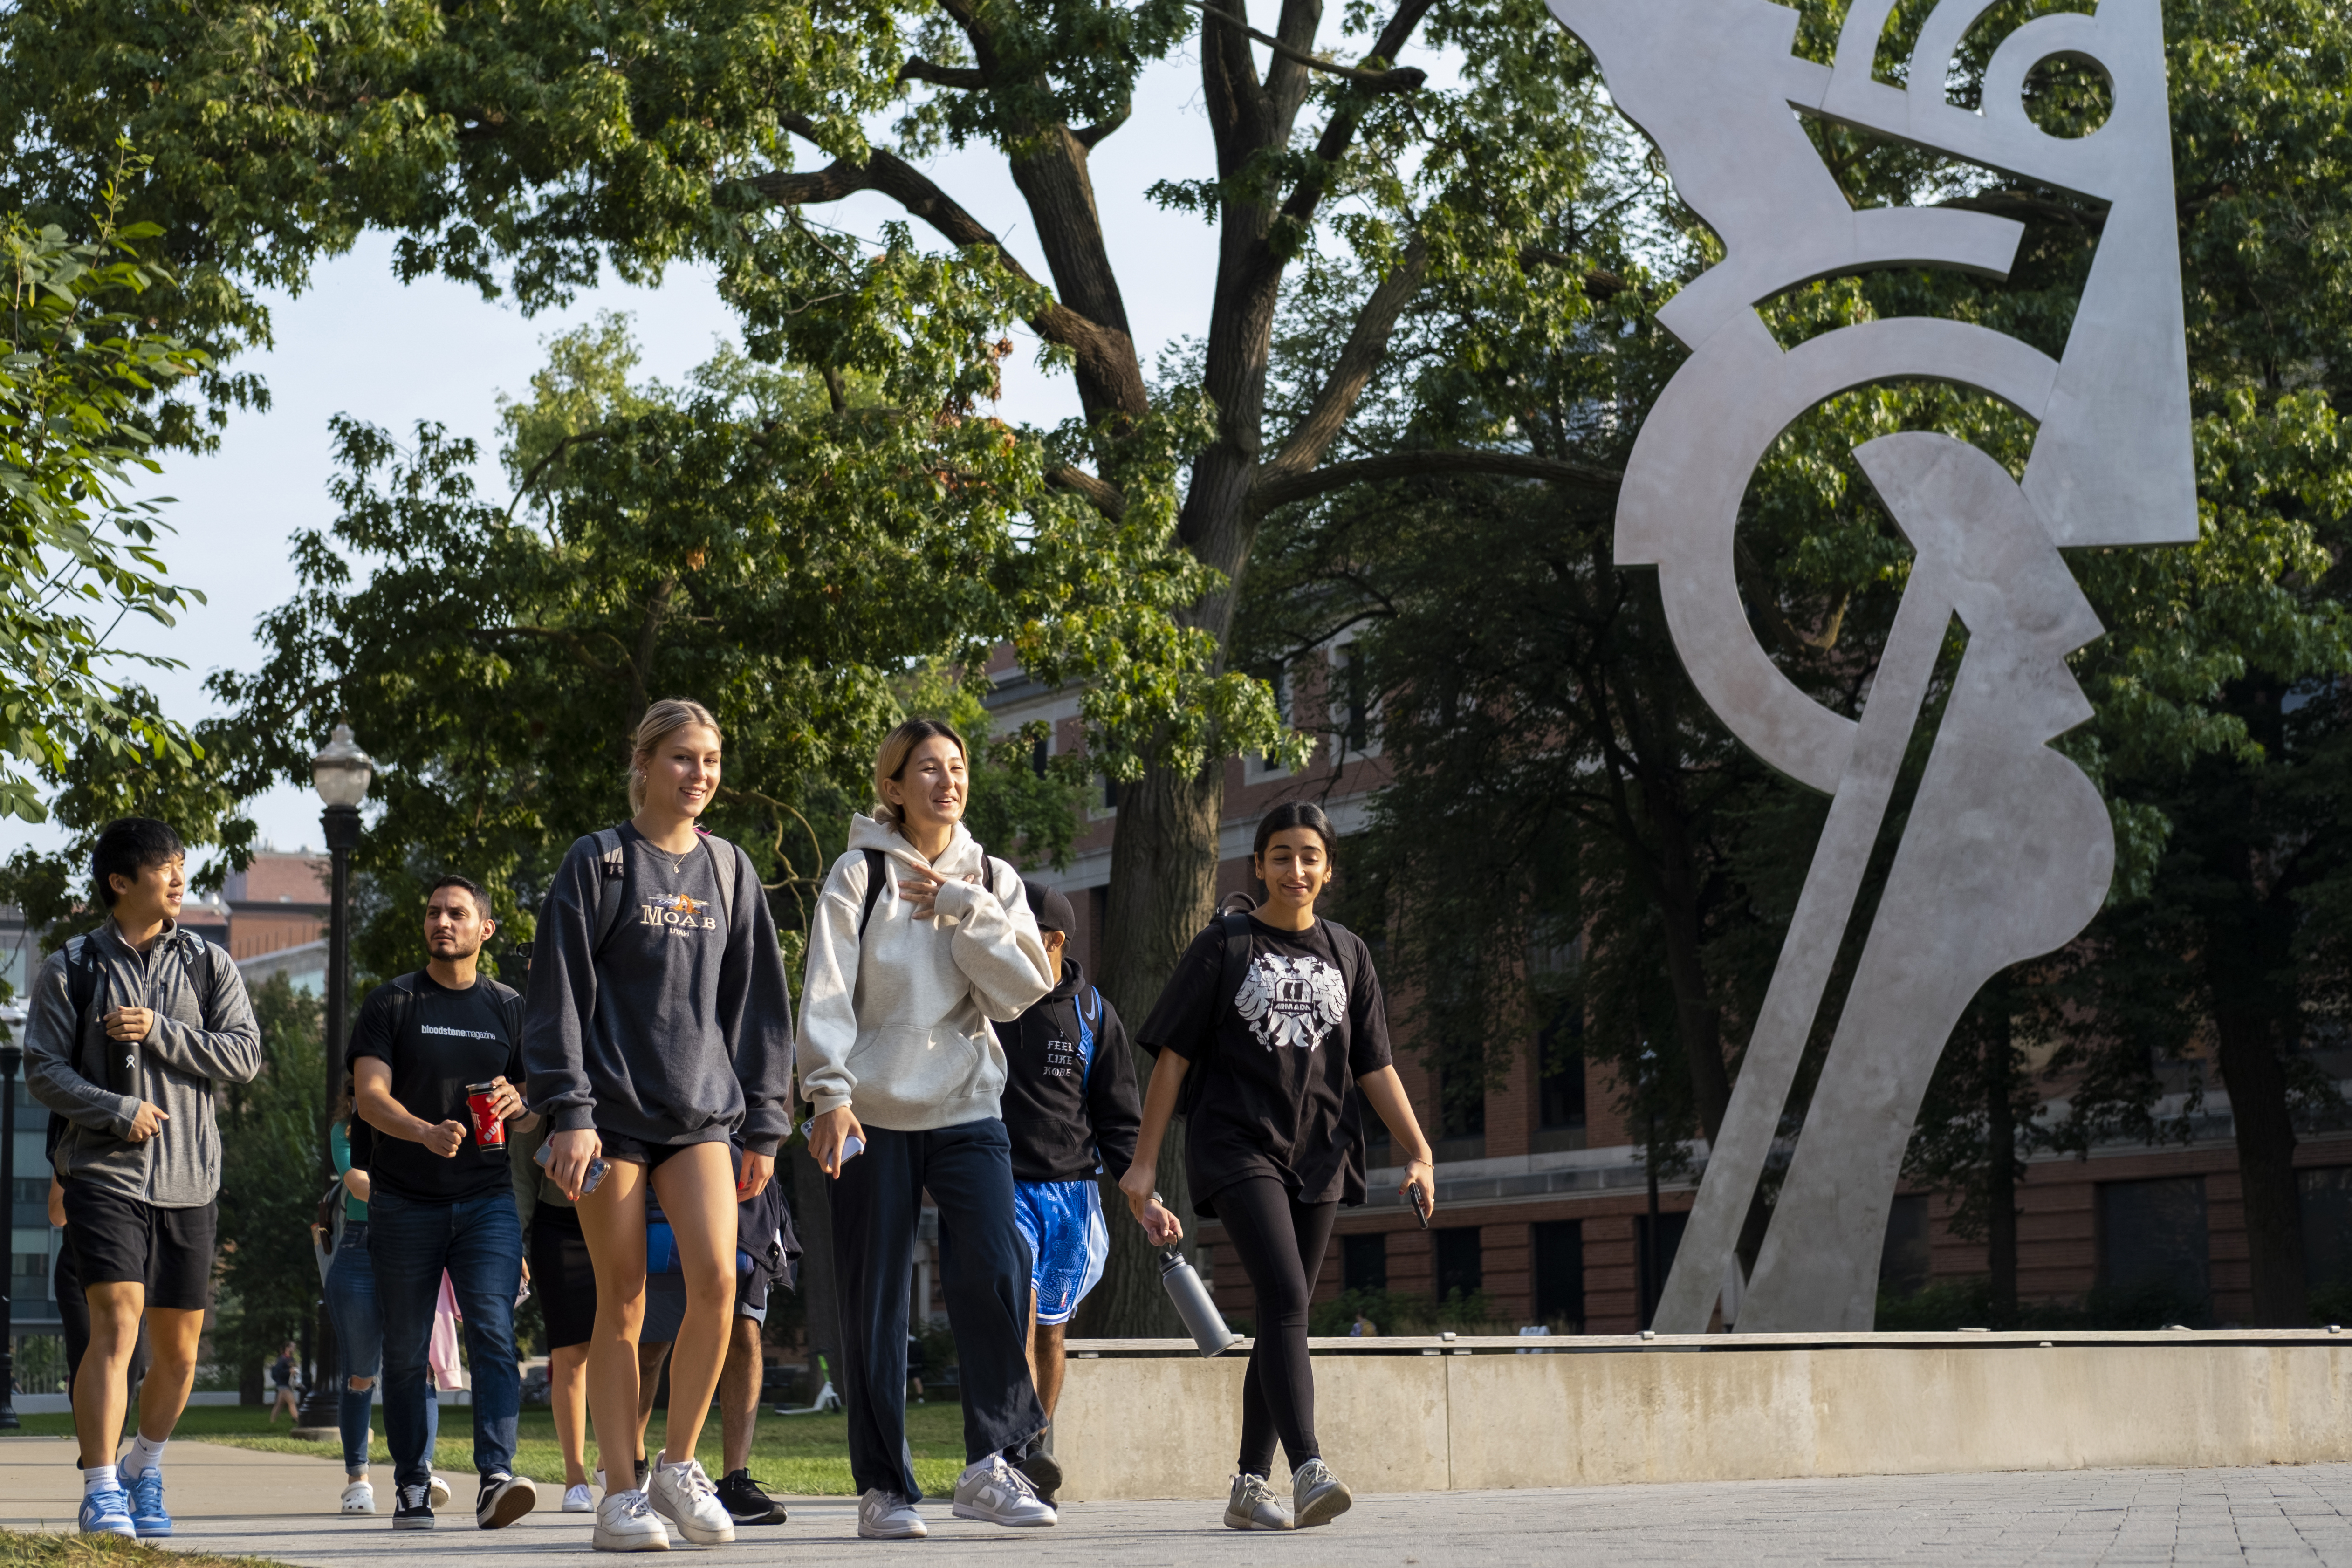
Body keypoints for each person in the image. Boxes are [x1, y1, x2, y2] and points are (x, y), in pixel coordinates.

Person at [1120, 801, 1439, 1533]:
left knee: (1278, 1314)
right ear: (1257, 865)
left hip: (1321, 1150)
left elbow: (1375, 1066)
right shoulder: (1223, 944)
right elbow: (1173, 1059)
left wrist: (1419, 1151)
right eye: (1280, 855)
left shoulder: (1349, 953)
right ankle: (1308, 1466)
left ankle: (1245, 1483)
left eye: (1309, 857)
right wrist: (1142, 1164)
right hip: (1237, 1145)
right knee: (1288, 1295)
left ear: (1327, 869)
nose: (1295, 869)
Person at [527, 698, 796, 1553]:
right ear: (642, 764)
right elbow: (557, 997)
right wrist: (568, 1114)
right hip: (609, 1119)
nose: (700, 775)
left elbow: (759, 1008)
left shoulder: (730, 871)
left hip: (705, 1115)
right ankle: (618, 1492)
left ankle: (679, 1466)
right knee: (626, 1301)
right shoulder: (598, 863)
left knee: (720, 1281)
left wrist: (766, 1124)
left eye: (711, 760)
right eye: (683, 758)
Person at [799, 716, 1062, 1541]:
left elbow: (1023, 990)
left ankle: (993, 1463)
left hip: (967, 1105)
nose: (947, 781)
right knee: (873, 1301)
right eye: (927, 769)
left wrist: (963, 907)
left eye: (957, 767)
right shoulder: (856, 875)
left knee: (993, 1269)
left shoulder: (991, 877)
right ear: (893, 784)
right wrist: (828, 1092)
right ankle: (884, 1488)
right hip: (870, 1113)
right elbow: (828, 990)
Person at [25, 817, 262, 1541]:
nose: (178, 878)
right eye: (165, 868)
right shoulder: (72, 967)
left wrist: (159, 1030)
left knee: (181, 1351)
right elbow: (42, 1068)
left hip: (192, 1179)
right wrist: (116, 1108)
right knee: (116, 1321)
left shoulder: (208, 965)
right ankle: (101, 1489)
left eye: (182, 866)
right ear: (120, 882)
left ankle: (144, 1466)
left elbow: (245, 1056)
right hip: (104, 1174)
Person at [352, 874, 538, 1532]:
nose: (442, 922)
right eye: (433, 912)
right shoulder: (392, 1003)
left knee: (491, 1327)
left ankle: (494, 1475)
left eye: (457, 914)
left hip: (486, 1199)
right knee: (405, 1352)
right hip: (403, 1201)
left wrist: (525, 1102)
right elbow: (370, 1096)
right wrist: (423, 1132)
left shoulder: (512, 1007)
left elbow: (537, 1096)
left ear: (485, 929)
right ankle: (412, 1482)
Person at [991, 879, 1143, 1505]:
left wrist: (1141, 1188)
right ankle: (1020, 1451)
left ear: (1051, 939)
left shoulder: (1093, 1013)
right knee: (1019, 1321)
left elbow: (1117, 1117)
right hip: (1003, 1187)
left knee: (1050, 1332)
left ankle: (1035, 1451)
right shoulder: (986, 1001)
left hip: (1073, 1198)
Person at [630, 1143, 796, 1527]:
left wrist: (766, 1137)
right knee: (649, 1341)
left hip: (740, 1170)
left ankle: (732, 1478)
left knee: (742, 1326)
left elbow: (778, 1099)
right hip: (659, 1154)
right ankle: (631, 1464)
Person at [320, 1085, 446, 1516]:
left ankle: (420, 1474)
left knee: (420, 1367)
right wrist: (414, 1194)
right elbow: (357, 1184)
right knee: (360, 1374)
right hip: (360, 1249)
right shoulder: (347, 1130)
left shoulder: (422, 1128)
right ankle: (358, 1480)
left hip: (414, 1246)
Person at [514, 1118, 599, 1512]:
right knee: (570, 1352)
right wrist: (513, 1242)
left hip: (623, 1213)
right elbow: (521, 1169)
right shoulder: (550, 1077)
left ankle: (621, 1460)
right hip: (559, 1222)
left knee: (630, 1344)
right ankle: (575, 1476)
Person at [51, 1176, 151, 1403]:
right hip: (79, 1266)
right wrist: (95, 1188)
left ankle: (115, 1436)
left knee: (129, 1362)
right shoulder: (76, 1148)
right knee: (87, 1360)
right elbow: (56, 1215)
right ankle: (97, 1438)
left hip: (131, 1268)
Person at [268, 1342, 300, 1422]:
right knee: (292, 1401)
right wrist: (289, 1371)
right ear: (288, 1348)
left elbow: (293, 1369)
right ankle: (297, 1419)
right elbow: (280, 1372)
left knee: (280, 1404)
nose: (294, 1349)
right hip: (283, 1384)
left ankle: (272, 1421)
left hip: (288, 1383)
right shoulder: (282, 1359)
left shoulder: (291, 1359)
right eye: (293, 1347)